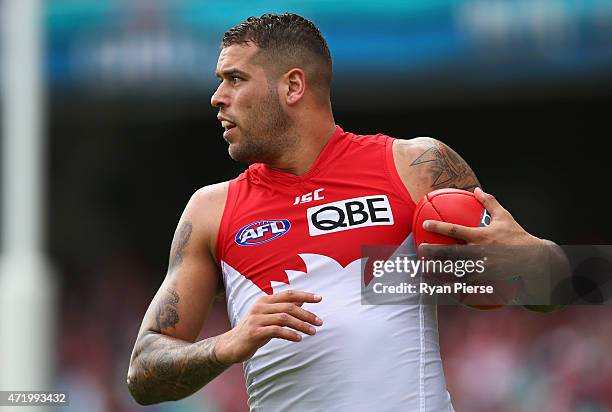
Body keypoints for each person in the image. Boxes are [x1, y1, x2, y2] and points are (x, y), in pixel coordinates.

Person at [126, 13, 563, 411]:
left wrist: (528, 258)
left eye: (235, 79)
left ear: (293, 86)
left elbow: (559, 288)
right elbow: (142, 371)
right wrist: (229, 343)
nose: (217, 98)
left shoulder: (416, 167)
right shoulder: (210, 210)